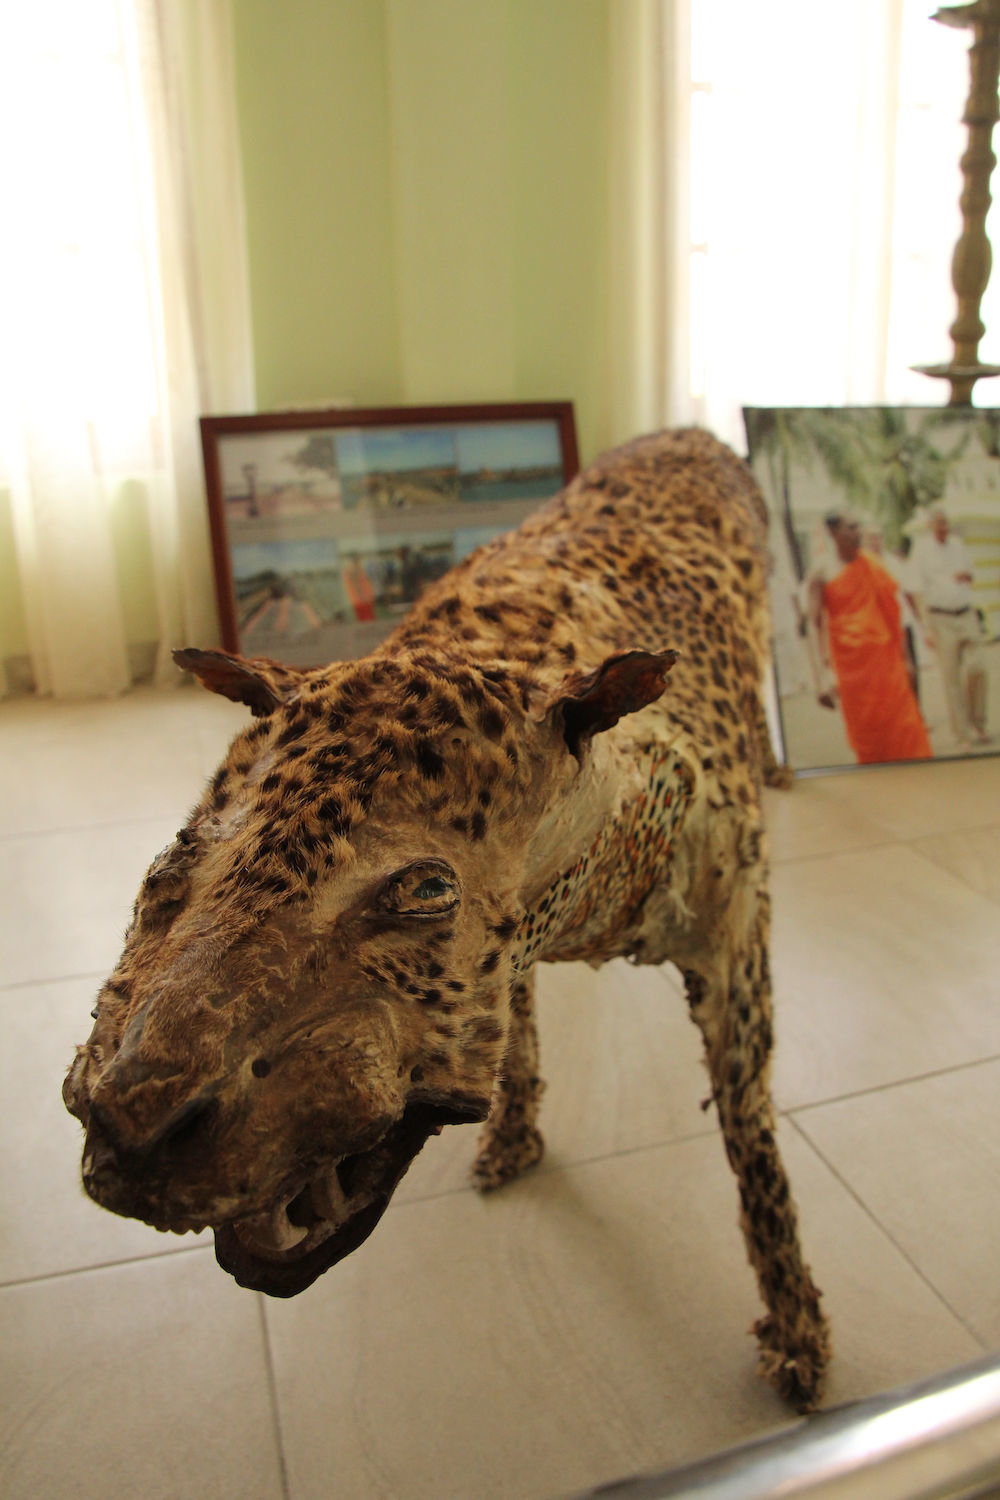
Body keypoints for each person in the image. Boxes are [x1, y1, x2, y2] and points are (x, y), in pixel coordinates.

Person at [807, 512, 932, 763]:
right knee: (869, 737)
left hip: (887, 665)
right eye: (850, 528)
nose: (857, 533)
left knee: (906, 728)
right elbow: (813, 625)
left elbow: (893, 614)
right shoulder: (821, 572)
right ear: (833, 533)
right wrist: (820, 678)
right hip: (852, 673)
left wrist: (906, 659)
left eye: (858, 527)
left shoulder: (873, 565)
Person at [910, 508, 989, 750]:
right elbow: (916, 591)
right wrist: (925, 627)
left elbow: (971, 574)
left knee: (978, 667)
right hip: (940, 618)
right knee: (951, 678)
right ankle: (962, 734)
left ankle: (978, 722)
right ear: (930, 526)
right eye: (939, 524)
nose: (944, 528)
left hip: (966, 613)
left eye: (946, 523)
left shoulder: (958, 545)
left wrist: (966, 575)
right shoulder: (921, 550)